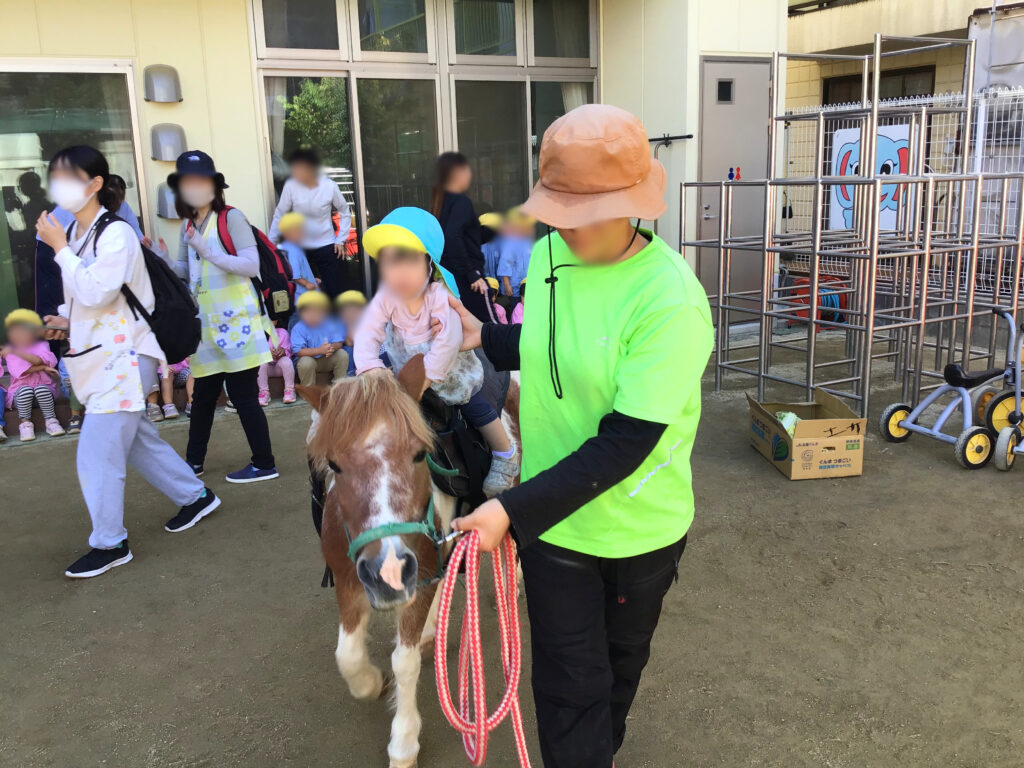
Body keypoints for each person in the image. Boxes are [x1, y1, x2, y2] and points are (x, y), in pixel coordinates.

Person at [447, 105, 714, 768]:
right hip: (555, 528)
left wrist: (508, 508)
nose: (566, 228)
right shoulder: (546, 258)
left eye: (584, 213)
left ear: (633, 205)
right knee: (569, 691)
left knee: (614, 681)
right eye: (557, 211)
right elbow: (553, 344)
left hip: (636, 529)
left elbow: (626, 442)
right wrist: (490, 337)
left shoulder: (668, 299)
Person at [35, 145, 221, 578]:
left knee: (97, 453)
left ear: (95, 184)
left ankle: (109, 542)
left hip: (123, 357)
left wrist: (59, 248)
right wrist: (68, 320)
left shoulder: (112, 233)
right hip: (104, 357)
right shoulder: (82, 237)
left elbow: (98, 291)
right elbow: (95, 298)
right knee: (136, 440)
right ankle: (195, 497)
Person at [356, 207, 519, 497]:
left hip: (447, 373)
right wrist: (368, 364)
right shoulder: (386, 298)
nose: (399, 272)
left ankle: (504, 454)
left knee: (474, 405)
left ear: (429, 264)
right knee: (370, 402)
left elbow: (449, 339)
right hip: (402, 369)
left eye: (408, 261)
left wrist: (428, 375)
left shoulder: (439, 297)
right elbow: (368, 331)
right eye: (390, 261)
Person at [167, 150, 279, 484]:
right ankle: (193, 463)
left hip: (239, 323)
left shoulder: (231, 218)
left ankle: (264, 463)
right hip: (206, 326)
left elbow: (250, 265)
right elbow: (186, 271)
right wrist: (157, 258)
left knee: (243, 395)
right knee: (202, 396)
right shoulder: (188, 226)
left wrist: (208, 251)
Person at [267, 148, 351, 299]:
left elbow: (345, 211)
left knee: (334, 290)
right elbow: (280, 214)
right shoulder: (291, 186)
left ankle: (338, 320)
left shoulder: (330, 186)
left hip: (326, 243)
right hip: (300, 246)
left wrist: (341, 239)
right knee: (302, 290)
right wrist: (270, 244)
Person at [430, 152, 493, 323]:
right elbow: (452, 237)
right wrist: (472, 274)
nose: (470, 175)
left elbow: (465, 238)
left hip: (449, 277)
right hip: (466, 279)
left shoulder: (441, 202)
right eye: (467, 170)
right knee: (491, 328)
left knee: (461, 330)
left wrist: (495, 230)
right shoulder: (460, 202)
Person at [2, 308, 63, 441]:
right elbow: (19, 371)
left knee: (41, 388)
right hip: (21, 395)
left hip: (44, 392)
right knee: (25, 390)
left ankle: (51, 422)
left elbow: (39, 360)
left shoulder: (42, 344)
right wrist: (42, 367)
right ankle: (25, 425)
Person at [291, 290, 347, 388]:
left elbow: (339, 343)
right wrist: (320, 350)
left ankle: (339, 388)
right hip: (310, 360)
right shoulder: (299, 327)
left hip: (326, 358)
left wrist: (330, 348)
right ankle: (309, 392)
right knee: (305, 362)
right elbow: (299, 351)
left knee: (342, 354)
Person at [495, 206, 534, 308]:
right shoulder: (510, 241)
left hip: (526, 285)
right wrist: (507, 284)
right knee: (516, 310)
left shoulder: (527, 241)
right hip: (514, 286)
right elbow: (505, 262)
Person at [276, 211, 318, 305]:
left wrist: (311, 279)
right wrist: (307, 283)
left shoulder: (283, 246)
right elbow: (294, 275)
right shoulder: (292, 249)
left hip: (293, 298)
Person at [257, 321, 296, 406]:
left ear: (276, 320)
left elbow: (290, 351)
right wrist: (266, 354)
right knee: (261, 363)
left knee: (286, 360)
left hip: (279, 368)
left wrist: (283, 351)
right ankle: (264, 392)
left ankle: (289, 390)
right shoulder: (257, 334)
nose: (268, 321)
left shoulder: (282, 332)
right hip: (266, 370)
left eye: (272, 319)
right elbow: (254, 354)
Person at [335, 289, 367, 376]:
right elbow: (349, 342)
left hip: (366, 348)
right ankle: (350, 376)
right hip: (351, 349)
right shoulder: (339, 322)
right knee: (348, 350)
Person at [56, 356, 83, 434]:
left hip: (92, 385)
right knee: (75, 386)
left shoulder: (95, 353)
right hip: (73, 389)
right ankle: (75, 418)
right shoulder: (66, 358)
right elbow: (67, 381)